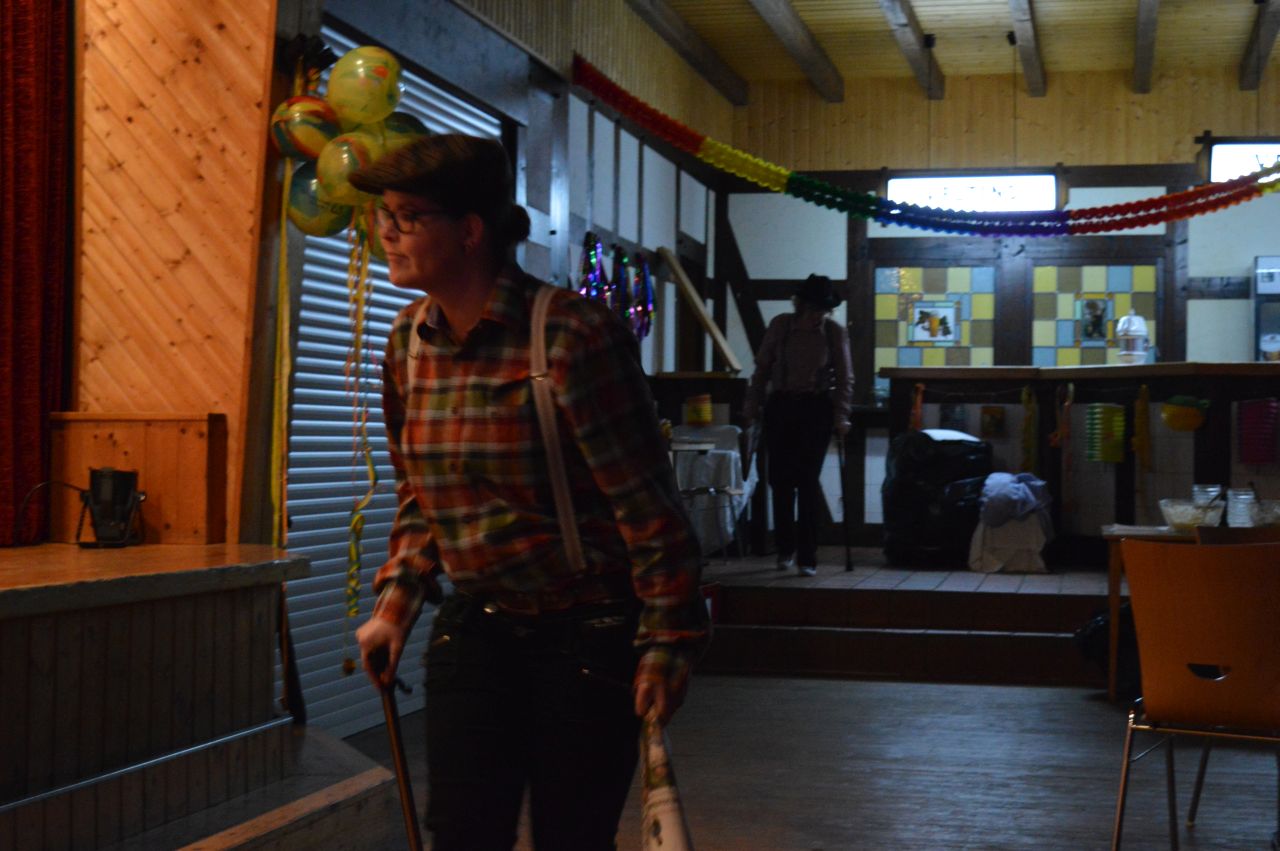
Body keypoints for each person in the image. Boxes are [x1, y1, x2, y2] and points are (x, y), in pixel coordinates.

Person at [350, 134, 709, 850]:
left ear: (470, 230)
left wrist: (666, 643)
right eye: (382, 215)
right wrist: (394, 607)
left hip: (586, 635)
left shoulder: (572, 337)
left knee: (571, 838)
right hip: (476, 628)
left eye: (408, 216)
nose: (385, 233)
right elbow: (420, 497)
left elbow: (648, 509)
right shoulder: (408, 342)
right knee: (461, 834)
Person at [742, 274, 853, 576]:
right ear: (801, 305)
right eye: (815, 308)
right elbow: (762, 369)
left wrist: (841, 415)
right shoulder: (781, 326)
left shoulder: (833, 332)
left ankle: (807, 555)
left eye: (824, 310)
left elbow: (845, 377)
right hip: (781, 405)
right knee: (780, 480)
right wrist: (752, 404)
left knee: (807, 480)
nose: (819, 315)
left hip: (815, 408)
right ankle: (785, 548)